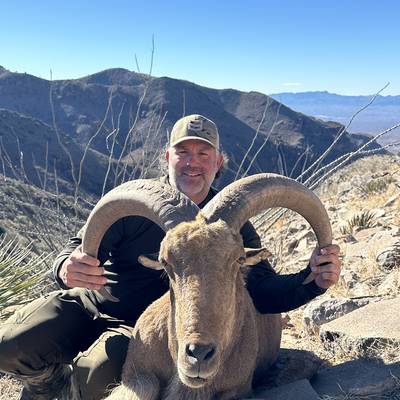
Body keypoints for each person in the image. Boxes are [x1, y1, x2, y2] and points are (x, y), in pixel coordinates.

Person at [0, 114, 341, 400]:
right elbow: (79, 245)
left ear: (218, 163)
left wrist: (312, 279)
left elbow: (262, 291)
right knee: (8, 344)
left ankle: (67, 385)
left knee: (95, 380)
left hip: (147, 330)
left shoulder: (232, 227)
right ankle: (48, 382)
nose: (193, 162)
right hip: (90, 304)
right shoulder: (138, 203)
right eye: (183, 151)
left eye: (204, 153)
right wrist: (66, 266)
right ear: (167, 157)